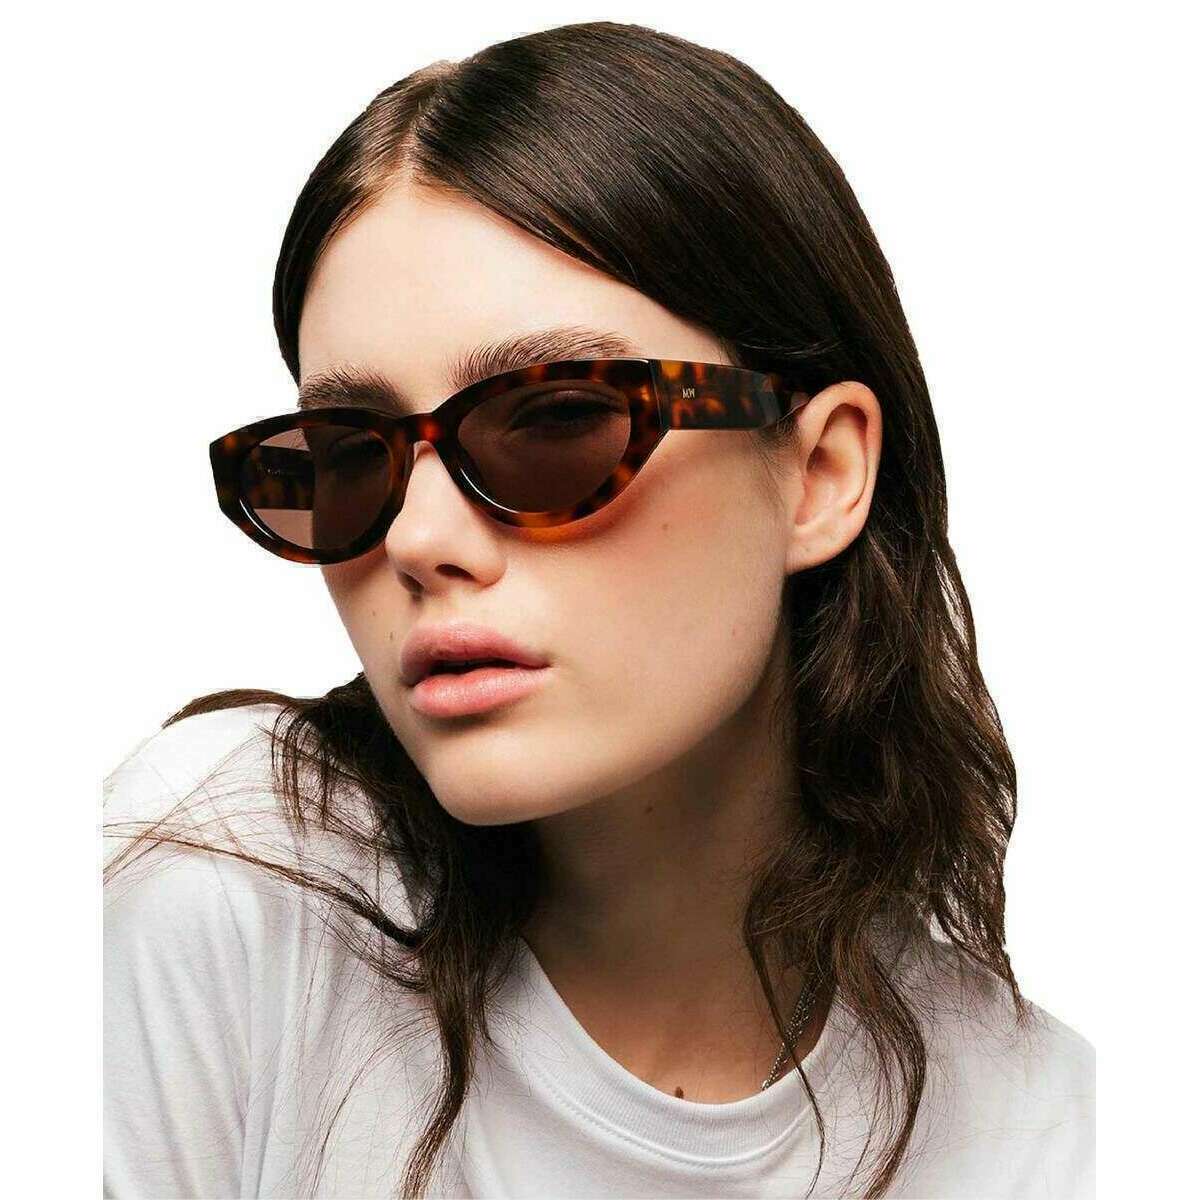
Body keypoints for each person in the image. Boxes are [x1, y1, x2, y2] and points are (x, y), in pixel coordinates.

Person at [102, 19, 1095, 1200]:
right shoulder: (227, 879)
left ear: (820, 473)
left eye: (561, 420)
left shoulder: (1047, 1139)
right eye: (350, 455)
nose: (417, 540)